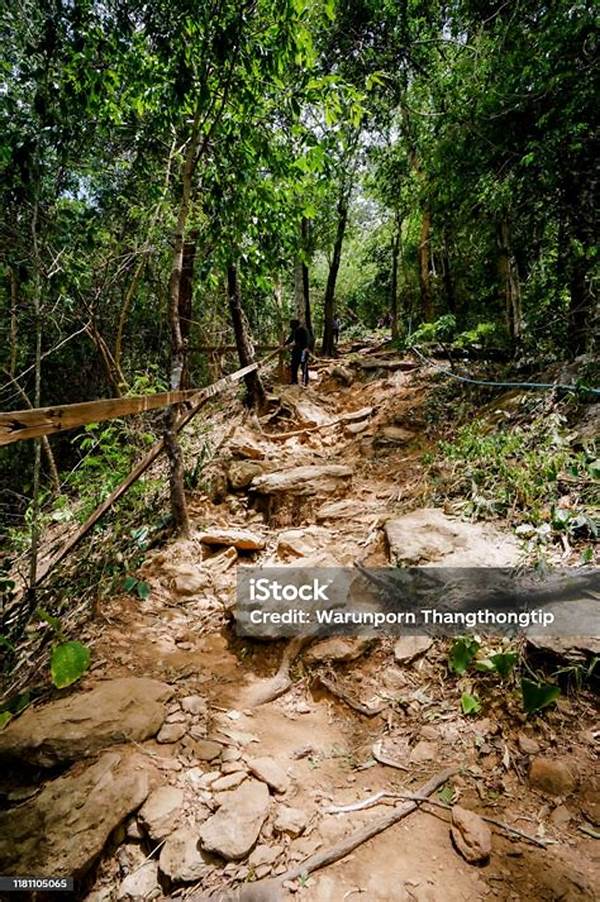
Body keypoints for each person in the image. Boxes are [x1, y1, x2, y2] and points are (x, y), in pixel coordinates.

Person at [285, 318, 311, 385]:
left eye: (291, 325)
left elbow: (298, 342)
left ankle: (304, 381)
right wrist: (285, 344)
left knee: (303, 366)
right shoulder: (297, 330)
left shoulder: (301, 330)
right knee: (294, 365)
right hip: (298, 351)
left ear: (294, 325)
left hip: (302, 351)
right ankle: (295, 380)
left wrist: (288, 345)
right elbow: (291, 338)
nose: (290, 326)